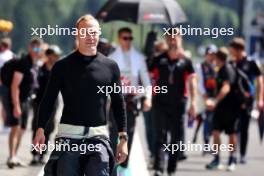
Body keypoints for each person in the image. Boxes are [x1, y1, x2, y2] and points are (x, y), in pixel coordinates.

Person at [33, 14, 128, 176]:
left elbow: (118, 103)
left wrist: (123, 140)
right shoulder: (62, 66)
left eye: (93, 32)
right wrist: (40, 130)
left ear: (99, 33)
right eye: (84, 32)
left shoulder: (111, 67)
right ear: (77, 34)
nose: (90, 37)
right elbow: (48, 100)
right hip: (68, 137)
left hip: (98, 138)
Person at [150, 30, 197, 176]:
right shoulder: (159, 59)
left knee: (176, 138)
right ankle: (158, 167)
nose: (173, 40)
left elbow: (192, 81)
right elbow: (148, 76)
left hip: (179, 104)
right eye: (170, 37)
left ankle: (171, 169)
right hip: (160, 102)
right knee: (160, 136)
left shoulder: (186, 61)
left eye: (176, 37)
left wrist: (193, 102)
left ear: (180, 39)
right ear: (166, 40)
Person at [109, 27, 152, 175]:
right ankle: (113, 165)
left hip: (131, 102)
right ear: (119, 39)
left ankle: (124, 165)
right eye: (125, 38)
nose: (128, 41)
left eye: (130, 38)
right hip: (116, 101)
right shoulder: (112, 57)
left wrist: (148, 98)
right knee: (114, 133)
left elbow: (146, 82)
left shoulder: (139, 58)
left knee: (129, 135)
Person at [6, 38, 43, 168]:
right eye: (34, 48)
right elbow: (14, 86)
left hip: (27, 100)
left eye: (38, 48)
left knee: (22, 129)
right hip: (18, 100)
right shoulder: (23, 63)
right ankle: (11, 156)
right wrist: (16, 105)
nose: (36, 50)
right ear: (29, 47)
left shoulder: (35, 63)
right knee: (15, 128)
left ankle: (15, 155)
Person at [229, 37, 263, 164]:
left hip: (247, 100)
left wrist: (260, 99)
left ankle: (242, 154)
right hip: (233, 100)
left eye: (232, 50)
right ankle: (233, 154)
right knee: (233, 128)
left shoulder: (251, 63)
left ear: (239, 50)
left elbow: (260, 81)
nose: (231, 52)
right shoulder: (232, 63)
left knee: (244, 127)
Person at [205, 47, 239, 172]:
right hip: (220, 109)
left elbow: (226, 88)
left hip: (231, 108)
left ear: (218, 58)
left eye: (214, 57)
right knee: (215, 132)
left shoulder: (227, 70)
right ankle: (217, 159)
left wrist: (215, 101)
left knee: (231, 134)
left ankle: (232, 159)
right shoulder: (219, 69)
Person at [30, 45, 62, 165]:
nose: (56, 58)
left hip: (53, 102)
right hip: (39, 102)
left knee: (49, 129)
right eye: (55, 55)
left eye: (58, 56)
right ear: (49, 55)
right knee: (37, 128)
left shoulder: (58, 69)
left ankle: (42, 154)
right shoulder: (40, 68)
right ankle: (34, 154)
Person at [195, 44, 217, 153]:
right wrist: (205, 97)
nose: (211, 57)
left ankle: (212, 144)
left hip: (215, 97)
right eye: (210, 54)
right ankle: (206, 144)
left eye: (213, 54)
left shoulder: (217, 66)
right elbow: (199, 84)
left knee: (214, 121)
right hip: (205, 97)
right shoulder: (200, 67)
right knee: (206, 120)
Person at [0, 37, 15, 132]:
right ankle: (7, 124)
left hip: (4, 83)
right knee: (7, 105)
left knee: (4, 105)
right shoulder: (12, 55)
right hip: (9, 83)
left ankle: (6, 124)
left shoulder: (2, 56)